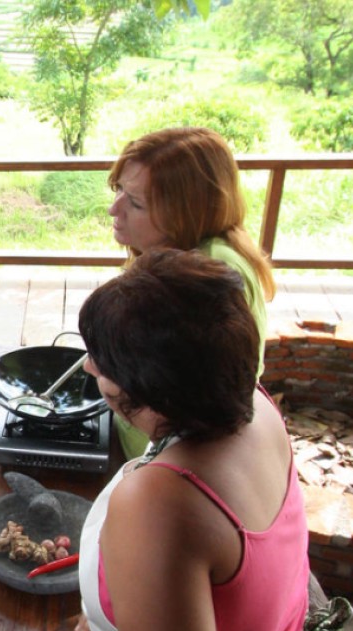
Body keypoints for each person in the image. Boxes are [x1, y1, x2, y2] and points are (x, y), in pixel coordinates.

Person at [73, 249, 309, 631]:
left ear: (150, 387)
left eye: (103, 359)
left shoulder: (159, 503)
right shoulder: (255, 404)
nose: (90, 365)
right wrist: (120, 607)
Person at [106, 126, 277, 459]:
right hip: (144, 452)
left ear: (187, 211)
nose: (115, 208)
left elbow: (199, 407)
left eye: (136, 203)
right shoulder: (175, 253)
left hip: (170, 467)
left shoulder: (211, 275)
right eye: (118, 190)